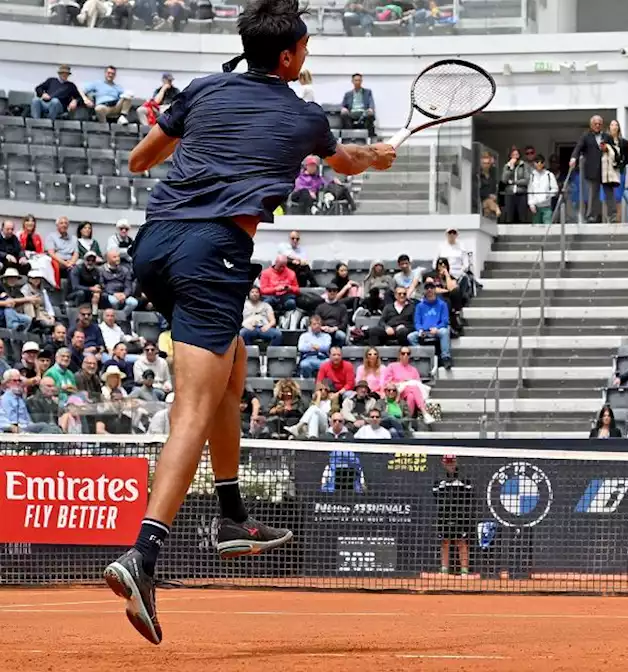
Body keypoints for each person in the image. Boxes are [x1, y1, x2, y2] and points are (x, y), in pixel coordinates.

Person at [102, 0, 398, 646]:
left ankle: (232, 514)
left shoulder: (205, 90)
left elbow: (140, 160)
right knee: (195, 409)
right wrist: (376, 156)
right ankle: (142, 558)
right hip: (214, 255)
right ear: (289, 56)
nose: (308, 53)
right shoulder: (304, 116)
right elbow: (343, 162)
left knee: (233, 365)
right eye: (306, 46)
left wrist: (209, 129)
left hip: (154, 247)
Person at [434, 455, 475, 575]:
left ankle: (464, 570)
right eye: (447, 462)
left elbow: (469, 496)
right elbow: (436, 496)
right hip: (444, 515)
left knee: (461, 541)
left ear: (456, 462)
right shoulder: (439, 479)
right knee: (445, 541)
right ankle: (444, 569)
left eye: (452, 462)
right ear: (443, 463)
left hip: (460, 515)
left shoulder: (464, 479)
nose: (450, 465)